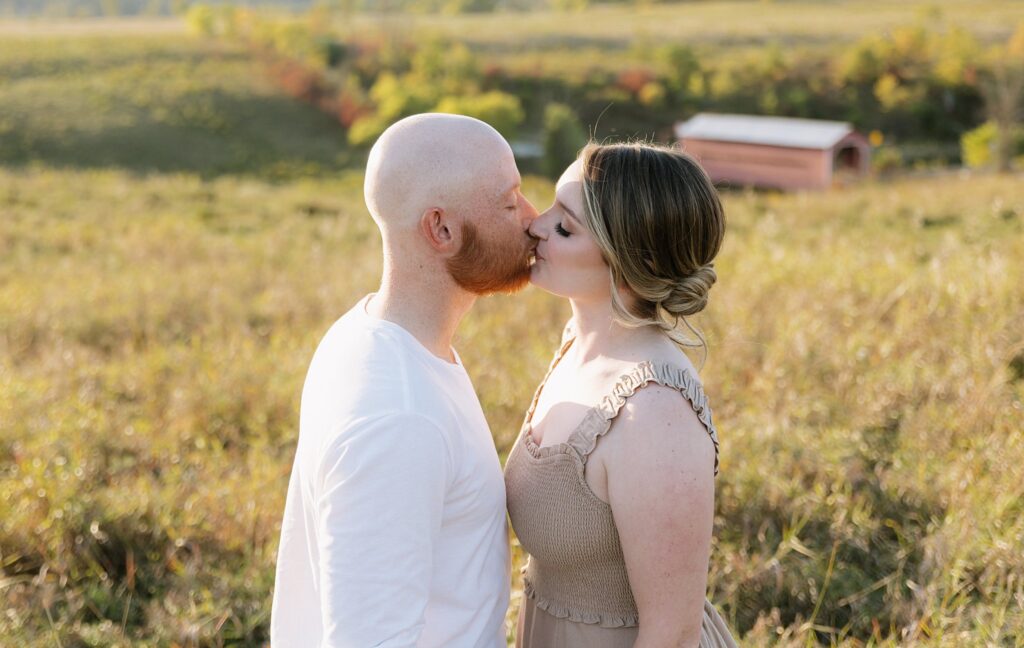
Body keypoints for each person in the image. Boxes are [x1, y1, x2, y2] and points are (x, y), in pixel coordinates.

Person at [271, 113, 539, 647]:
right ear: (441, 229)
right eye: (510, 202)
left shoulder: (370, 334)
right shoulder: (400, 416)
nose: (534, 218)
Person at [505, 142, 739, 647]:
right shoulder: (575, 346)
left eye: (565, 227)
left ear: (631, 260)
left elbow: (671, 635)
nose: (536, 226)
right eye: (550, 207)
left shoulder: (654, 412)